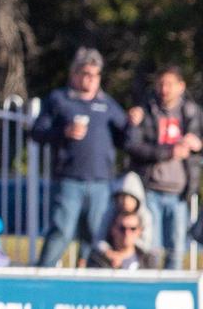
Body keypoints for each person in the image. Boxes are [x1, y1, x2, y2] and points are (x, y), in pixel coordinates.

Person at [31, 48, 127, 267]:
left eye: (95, 75)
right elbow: (37, 132)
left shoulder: (108, 103)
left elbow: (126, 137)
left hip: (100, 181)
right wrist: (63, 132)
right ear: (74, 74)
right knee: (62, 231)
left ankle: (90, 280)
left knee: (95, 234)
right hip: (69, 179)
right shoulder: (59, 99)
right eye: (85, 73)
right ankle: (41, 277)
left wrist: (134, 121)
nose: (90, 79)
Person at [124, 65, 202, 269]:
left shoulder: (191, 113)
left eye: (169, 84)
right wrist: (168, 152)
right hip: (152, 189)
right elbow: (133, 146)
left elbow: (197, 144)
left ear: (181, 86)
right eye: (161, 83)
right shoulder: (146, 111)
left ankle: (171, 291)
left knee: (177, 249)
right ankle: (151, 292)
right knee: (153, 247)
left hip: (179, 193)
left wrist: (198, 145)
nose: (164, 89)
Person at [88, 210, 159, 269]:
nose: (127, 233)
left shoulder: (148, 261)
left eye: (133, 229)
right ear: (113, 229)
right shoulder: (97, 259)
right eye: (122, 228)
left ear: (139, 231)